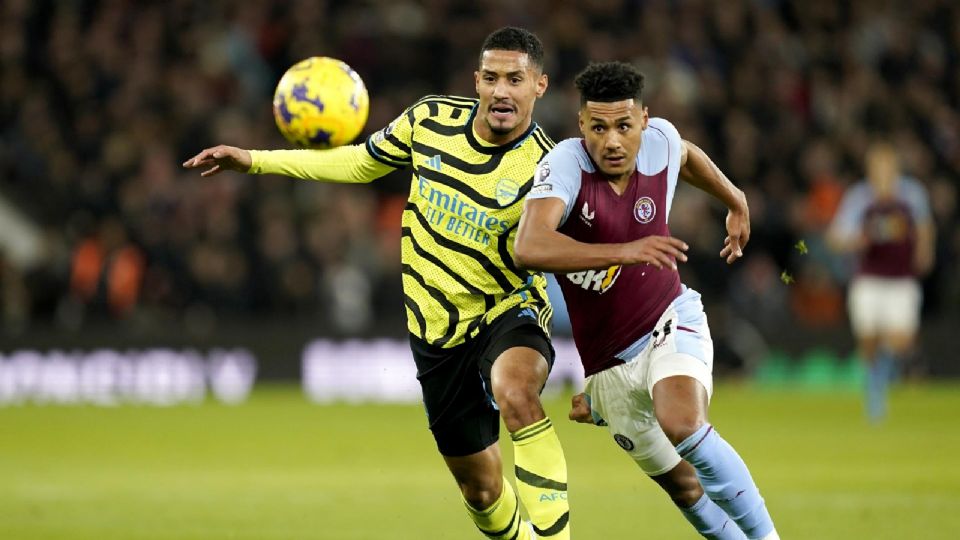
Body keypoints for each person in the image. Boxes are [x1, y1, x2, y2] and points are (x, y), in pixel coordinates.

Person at [184, 27, 570, 540]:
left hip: (508, 309)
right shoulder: (430, 120)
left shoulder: (551, 165)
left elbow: (583, 255)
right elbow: (361, 162)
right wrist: (256, 160)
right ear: (476, 81)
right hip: (435, 329)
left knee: (516, 392)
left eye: (516, 80)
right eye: (493, 78)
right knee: (481, 492)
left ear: (539, 86)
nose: (502, 90)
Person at [515, 61, 778, 540]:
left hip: (667, 320)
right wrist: (625, 250)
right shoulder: (566, 165)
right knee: (684, 487)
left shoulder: (660, 142)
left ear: (644, 121)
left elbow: (689, 156)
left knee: (682, 422)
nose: (612, 141)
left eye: (623, 126)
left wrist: (735, 198)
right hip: (608, 366)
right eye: (598, 128)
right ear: (581, 127)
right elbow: (529, 246)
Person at [827, 142, 935, 421]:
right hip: (868, 278)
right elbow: (836, 237)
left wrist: (925, 252)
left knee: (901, 339)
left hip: (901, 279)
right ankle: (875, 391)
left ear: (896, 169)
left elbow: (924, 227)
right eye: (877, 168)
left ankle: (880, 380)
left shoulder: (912, 194)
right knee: (868, 342)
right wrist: (856, 241)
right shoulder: (859, 198)